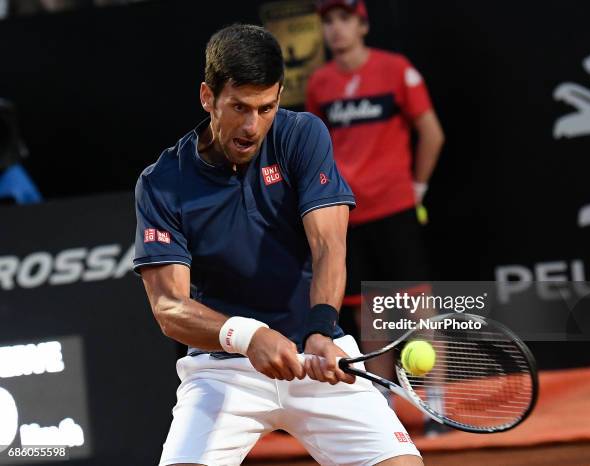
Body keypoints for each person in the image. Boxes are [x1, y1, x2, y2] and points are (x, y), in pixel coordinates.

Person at [133, 24, 423, 466]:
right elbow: (169, 308)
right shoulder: (161, 184)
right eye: (239, 107)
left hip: (318, 351)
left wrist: (321, 327)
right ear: (207, 97)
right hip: (222, 369)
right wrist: (248, 336)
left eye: (266, 108)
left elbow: (328, 245)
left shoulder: (302, 136)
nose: (252, 126)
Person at [306, 0, 445, 387]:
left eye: (345, 19)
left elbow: (432, 133)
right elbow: (319, 149)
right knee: (368, 318)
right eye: (328, 21)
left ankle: (437, 408)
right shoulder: (320, 83)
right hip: (347, 216)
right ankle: (382, 408)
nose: (336, 29)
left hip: (395, 209)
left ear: (362, 25)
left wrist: (416, 190)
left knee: (418, 309)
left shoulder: (395, 68)